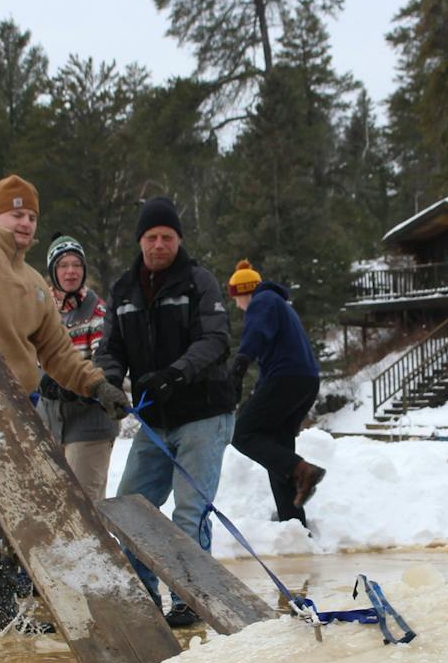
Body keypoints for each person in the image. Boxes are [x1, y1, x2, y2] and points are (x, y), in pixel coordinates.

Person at [0, 175, 130, 635]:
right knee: (20, 497)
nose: (25, 223)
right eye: (16, 214)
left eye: (32, 216)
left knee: (21, 504)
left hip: (17, 405)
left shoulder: (36, 284)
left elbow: (57, 352)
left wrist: (97, 386)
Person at [99, 197, 236, 628]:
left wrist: (175, 374)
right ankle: (144, 594)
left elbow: (216, 340)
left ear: (178, 240)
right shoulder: (123, 290)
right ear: (140, 241)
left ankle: (189, 597)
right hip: (155, 419)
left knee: (189, 511)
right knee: (130, 505)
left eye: (167, 237)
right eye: (152, 237)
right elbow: (110, 349)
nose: (159, 244)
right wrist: (106, 382)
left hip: (203, 413)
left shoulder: (199, 282)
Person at [226, 259, 325, 526]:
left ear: (243, 292)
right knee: (277, 447)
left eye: (237, 299)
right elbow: (276, 354)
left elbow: (255, 332)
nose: (238, 306)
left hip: (287, 379)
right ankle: (292, 522)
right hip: (303, 381)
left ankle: (302, 471)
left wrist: (240, 363)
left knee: (242, 433)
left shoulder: (263, 300)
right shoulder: (281, 306)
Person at [35, 234, 119, 503]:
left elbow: (104, 362)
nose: (70, 271)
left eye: (76, 265)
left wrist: (73, 385)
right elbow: (27, 355)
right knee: (51, 503)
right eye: (63, 265)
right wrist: (41, 379)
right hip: (49, 418)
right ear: (52, 271)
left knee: (84, 506)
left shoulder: (97, 312)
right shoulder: (41, 310)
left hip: (89, 420)